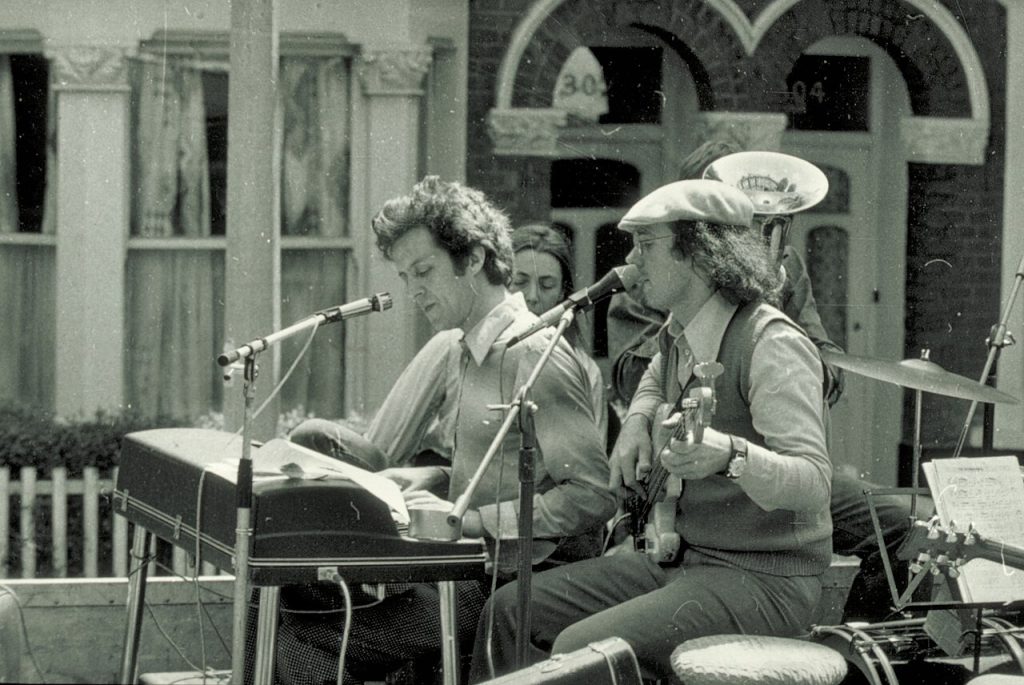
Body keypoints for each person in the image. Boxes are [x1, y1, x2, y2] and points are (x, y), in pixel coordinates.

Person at [470, 179, 834, 682]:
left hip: (763, 578)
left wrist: (730, 454)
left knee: (580, 649)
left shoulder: (770, 343)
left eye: (646, 246)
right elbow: (655, 367)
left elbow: (814, 480)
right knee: (511, 611)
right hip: (685, 560)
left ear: (700, 254)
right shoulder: (679, 332)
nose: (631, 263)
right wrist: (638, 417)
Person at [262, 176, 615, 685]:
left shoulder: (531, 352)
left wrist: (474, 521)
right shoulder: (468, 350)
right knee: (276, 586)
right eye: (406, 276)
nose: (414, 290)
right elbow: (507, 463)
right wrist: (429, 482)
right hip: (457, 568)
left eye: (424, 270)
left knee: (302, 633)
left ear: (473, 258)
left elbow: (592, 497)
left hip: (499, 583)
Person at [606, 141, 924, 623]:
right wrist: (642, 411)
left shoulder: (786, 271)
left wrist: (770, 338)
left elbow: (827, 365)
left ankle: (849, 645)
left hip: (767, 471)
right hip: (698, 491)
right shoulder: (650, 279)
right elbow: (642, 372)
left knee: (898, 526)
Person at [509, 223, 610, 446]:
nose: (532, 296)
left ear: (562, 293)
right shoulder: (470, 350)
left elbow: (592, 463)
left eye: (546, 285)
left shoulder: (583, 370)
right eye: (520, 282)